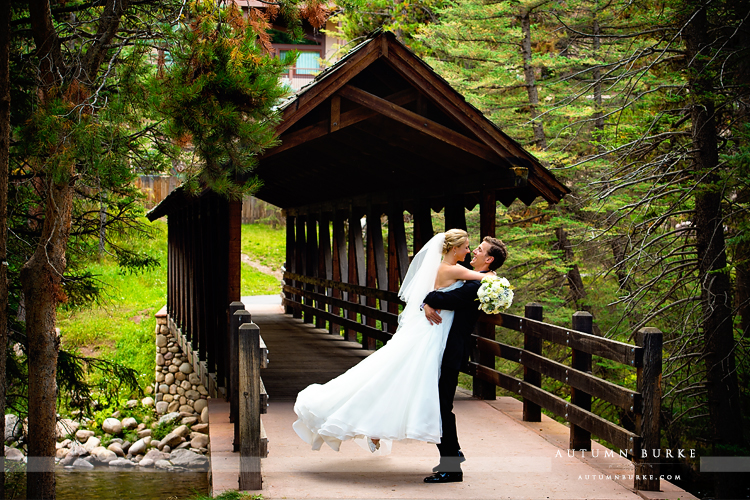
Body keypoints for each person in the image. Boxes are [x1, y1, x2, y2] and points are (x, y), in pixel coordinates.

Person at [292, 229, 490, 456]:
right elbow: (484, 278)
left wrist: (426, 303)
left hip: (431, 328)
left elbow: (430, 293)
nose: (468, 250)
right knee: (407, 380)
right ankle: (381, 426)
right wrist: (496, 280)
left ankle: (375, 423)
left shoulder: (442, 268)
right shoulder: (454, 269)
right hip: (433, 331)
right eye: (466, 246)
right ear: (454, 248)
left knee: (398, 377)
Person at [422, 236, 508, 483]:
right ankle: (452, 456)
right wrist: (426, 302)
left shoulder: (479, 285)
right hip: (444, 349)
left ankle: (452, 466)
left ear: (488, 259)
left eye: (479, 250)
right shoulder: (472, 277)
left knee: (441, 407)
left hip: (450, 352)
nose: (474, 252)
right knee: (440, 406)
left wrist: (427, 300)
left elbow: (445, 299)